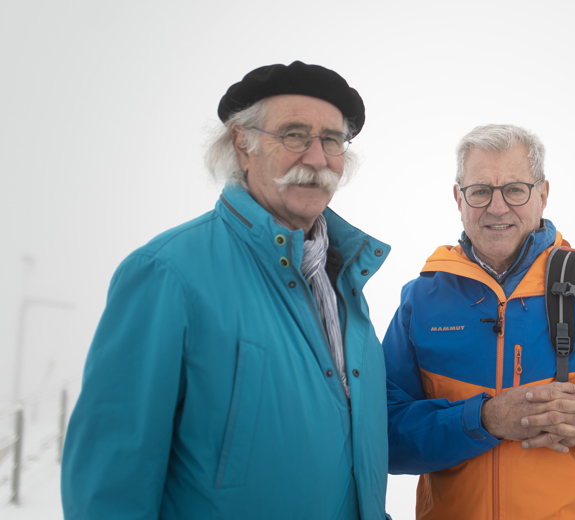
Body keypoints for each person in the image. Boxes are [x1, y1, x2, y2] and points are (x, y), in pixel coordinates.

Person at [62, 61, 392, 519]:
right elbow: (110, 484)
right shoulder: (168, 273)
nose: (317, 159)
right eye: (294, 135)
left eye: (331, 140)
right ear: (242, 143)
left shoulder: (344, 280)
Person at [382, 124, 575, 519]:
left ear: (543, 195)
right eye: (480, 191)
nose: (497, 207)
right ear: (458, 198)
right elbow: (383, 434)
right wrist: (484, 420)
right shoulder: (421, 301)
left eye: (515, 189)